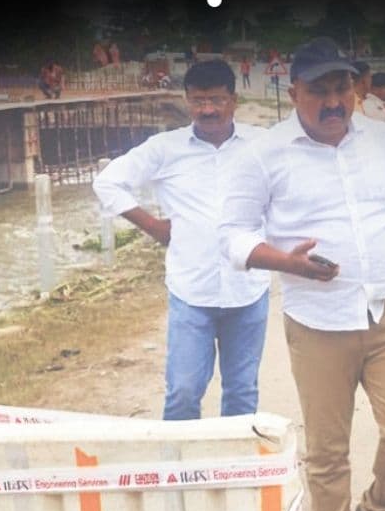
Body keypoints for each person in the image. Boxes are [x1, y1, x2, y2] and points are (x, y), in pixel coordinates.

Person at [220, 37, 385, 511]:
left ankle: (380, 507)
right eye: (318, 90)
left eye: (341, 88)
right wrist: (287, 263)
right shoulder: (263, 154)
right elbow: (232, 235)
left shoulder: (380, 137)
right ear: (292, 91)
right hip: (318, 322)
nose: (332, 101)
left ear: (356, 88)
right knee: (328, 450)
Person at [94, 60, 270, 420]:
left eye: (217, 100)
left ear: (233, 101)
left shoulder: (262, 145)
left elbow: (294, 191)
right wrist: (152, 225)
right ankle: (178, 471)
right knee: (184, 392)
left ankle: (235, 470)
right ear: (188, 102)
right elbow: (107, 182)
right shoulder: (164, 148)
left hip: (248, 290)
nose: (208, 109)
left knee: (242, 392)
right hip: (192, 291)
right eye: (199, 101)